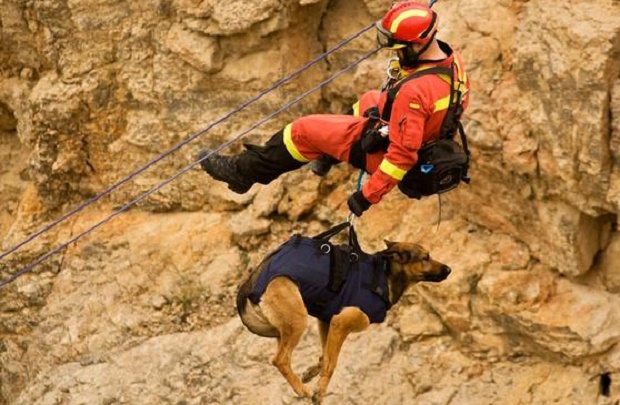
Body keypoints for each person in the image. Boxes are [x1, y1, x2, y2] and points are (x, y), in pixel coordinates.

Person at [198, 1, 470, 216]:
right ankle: (329, 153)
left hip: (393, 154)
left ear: (419, 44)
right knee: (369, 99)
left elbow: (402, 158)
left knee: (302, 131)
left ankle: (243, 173)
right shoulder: (450, 60)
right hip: (426, 135)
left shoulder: (414, 92)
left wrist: (366, 197)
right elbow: (440, 105)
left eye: (400, 48)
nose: (396, 53)